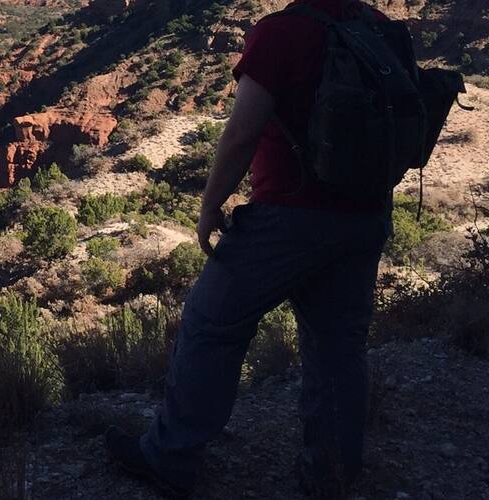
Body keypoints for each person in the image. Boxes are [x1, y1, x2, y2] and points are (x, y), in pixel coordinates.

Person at [104, 0, 396, 498]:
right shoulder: (376, 26)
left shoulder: (281, 32)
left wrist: (209, 205)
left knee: (211, 322)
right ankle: (333, 473)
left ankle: (170, 457)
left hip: (290, 214)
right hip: (366, 215)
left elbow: (241, 133)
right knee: (338, 345)